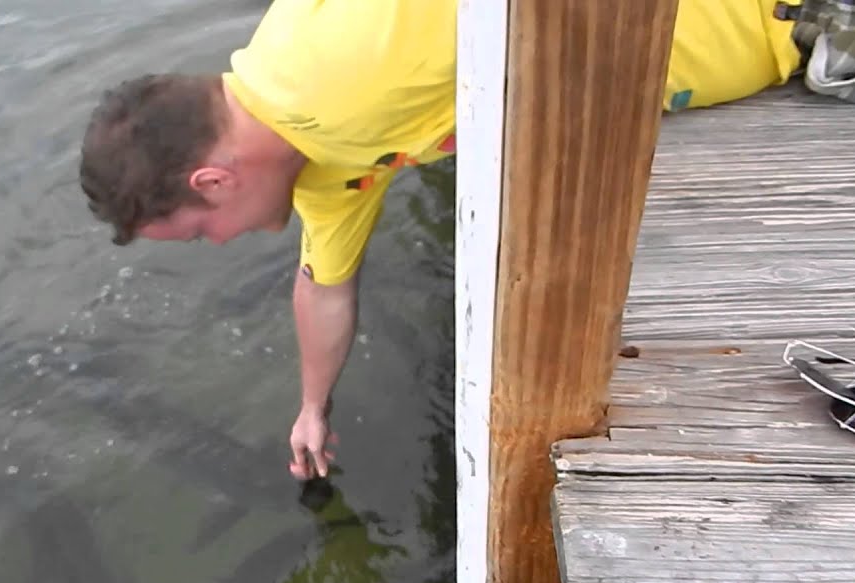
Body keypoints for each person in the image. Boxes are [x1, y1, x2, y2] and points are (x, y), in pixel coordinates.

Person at [77, 0, 809, 481]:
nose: (217, 244)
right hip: (789, 57)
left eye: (201, 233)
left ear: (212, 181)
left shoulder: (342, 60)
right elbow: (323, 285)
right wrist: (312, 407)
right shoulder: (317, 164)